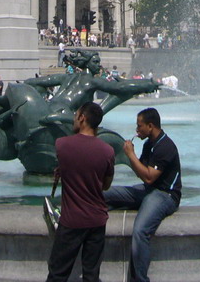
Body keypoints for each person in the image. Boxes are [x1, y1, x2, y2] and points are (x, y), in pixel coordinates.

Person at [104, 107, 181, 282]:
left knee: (140, 231)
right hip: (149, 190)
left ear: (150, 126)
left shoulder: (166, 146)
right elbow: (143, 173)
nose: (137, 130)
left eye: (139, 126)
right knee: (104, 194)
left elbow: (148, 177)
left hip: (165, 195)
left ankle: (140, 279)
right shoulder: (149, 144)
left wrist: (130, 155)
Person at [46, 102, 115, 282]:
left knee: (57, 273)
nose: (74, 119)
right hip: (97, 220)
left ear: (83, 118)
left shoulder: (62, 144)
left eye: (76, 115)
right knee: (91, 275)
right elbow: (105, 185)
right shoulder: (108, 151)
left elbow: (69, 165)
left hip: (72, 221)